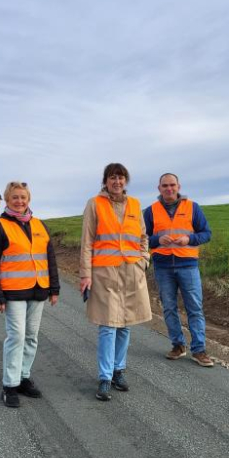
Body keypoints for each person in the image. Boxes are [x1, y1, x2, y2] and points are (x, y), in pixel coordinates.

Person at [79, 163, 152, 401]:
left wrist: (144, 260)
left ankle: (119, 370)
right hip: (105, 273)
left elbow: (143, 237)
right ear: (105, 181)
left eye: (120, 178)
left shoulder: (135, 204)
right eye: (112, 178)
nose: (117, 182)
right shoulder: (95, 203)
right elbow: (87, 242)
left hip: (131, 272)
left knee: (125, 324)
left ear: (125, 181)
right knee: (108, 326)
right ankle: (104, 376)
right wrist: (86, 275)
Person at [0, 182, 60, 408]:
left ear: (29, 200)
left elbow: (50, 259)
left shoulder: (40, 225)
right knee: (16, 337)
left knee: (31, 337)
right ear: (7, 200)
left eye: (23, 197)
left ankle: (23, 377)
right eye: (15, 197)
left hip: (38, 290)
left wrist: (54, 289)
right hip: (13, 292)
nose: (19, 201)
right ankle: (9, 385)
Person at [143, 173, 214, 367]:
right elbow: (142, 239)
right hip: (163, 266)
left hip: (188, 265)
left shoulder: (192, 207)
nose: (169, 189)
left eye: (172, 185)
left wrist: (189, 239)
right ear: (159, 188)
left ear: (178, 186)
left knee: (194, 308)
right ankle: (178, 345)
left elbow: (206, 233)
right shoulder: (150, 211)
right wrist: (157, 240)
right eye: (165, 185)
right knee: (169, 308)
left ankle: (199, 350)